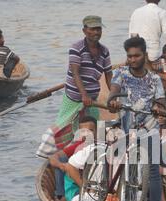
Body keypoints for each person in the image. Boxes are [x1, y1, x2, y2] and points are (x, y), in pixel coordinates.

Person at [37, 15, 112, 159]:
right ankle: (56, 157)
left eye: (99, 29)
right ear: (84, 31)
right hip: (74, 99)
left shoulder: (104, 51)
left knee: (97, 133)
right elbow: (75, 73)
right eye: (93, 29)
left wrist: (113, 97)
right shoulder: (76, 48)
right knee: (59, 132)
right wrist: (84, 95)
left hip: (92, 100)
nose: (96, 32)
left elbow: (109, 75)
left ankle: (89, 158)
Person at [108, 37, 166, 201]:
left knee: (154, 171)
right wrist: (113, 102)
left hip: (150, 127)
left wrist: (159, 107)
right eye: (130, 56)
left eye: (137, 56)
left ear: (145, 55)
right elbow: (113, 93)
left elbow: (162, 102)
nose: (133, 59)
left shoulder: (155, 79)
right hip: (128, 127)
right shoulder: (121, 74)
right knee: (131, 169)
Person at [48, 116, 98, 201]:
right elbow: (53, 157)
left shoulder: (101, 145)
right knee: (62, 160)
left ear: (96, 132)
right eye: (83, 131)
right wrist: (61, 165)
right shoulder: (78, 146)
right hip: (78, 187)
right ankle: (61, 196)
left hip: (95, 185)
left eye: (90, 131)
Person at [129, 0, 166, 71]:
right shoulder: (162, 13)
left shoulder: (136, 12)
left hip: (135, 57)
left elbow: (131, 36)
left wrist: (131, 55)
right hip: (153, 58)